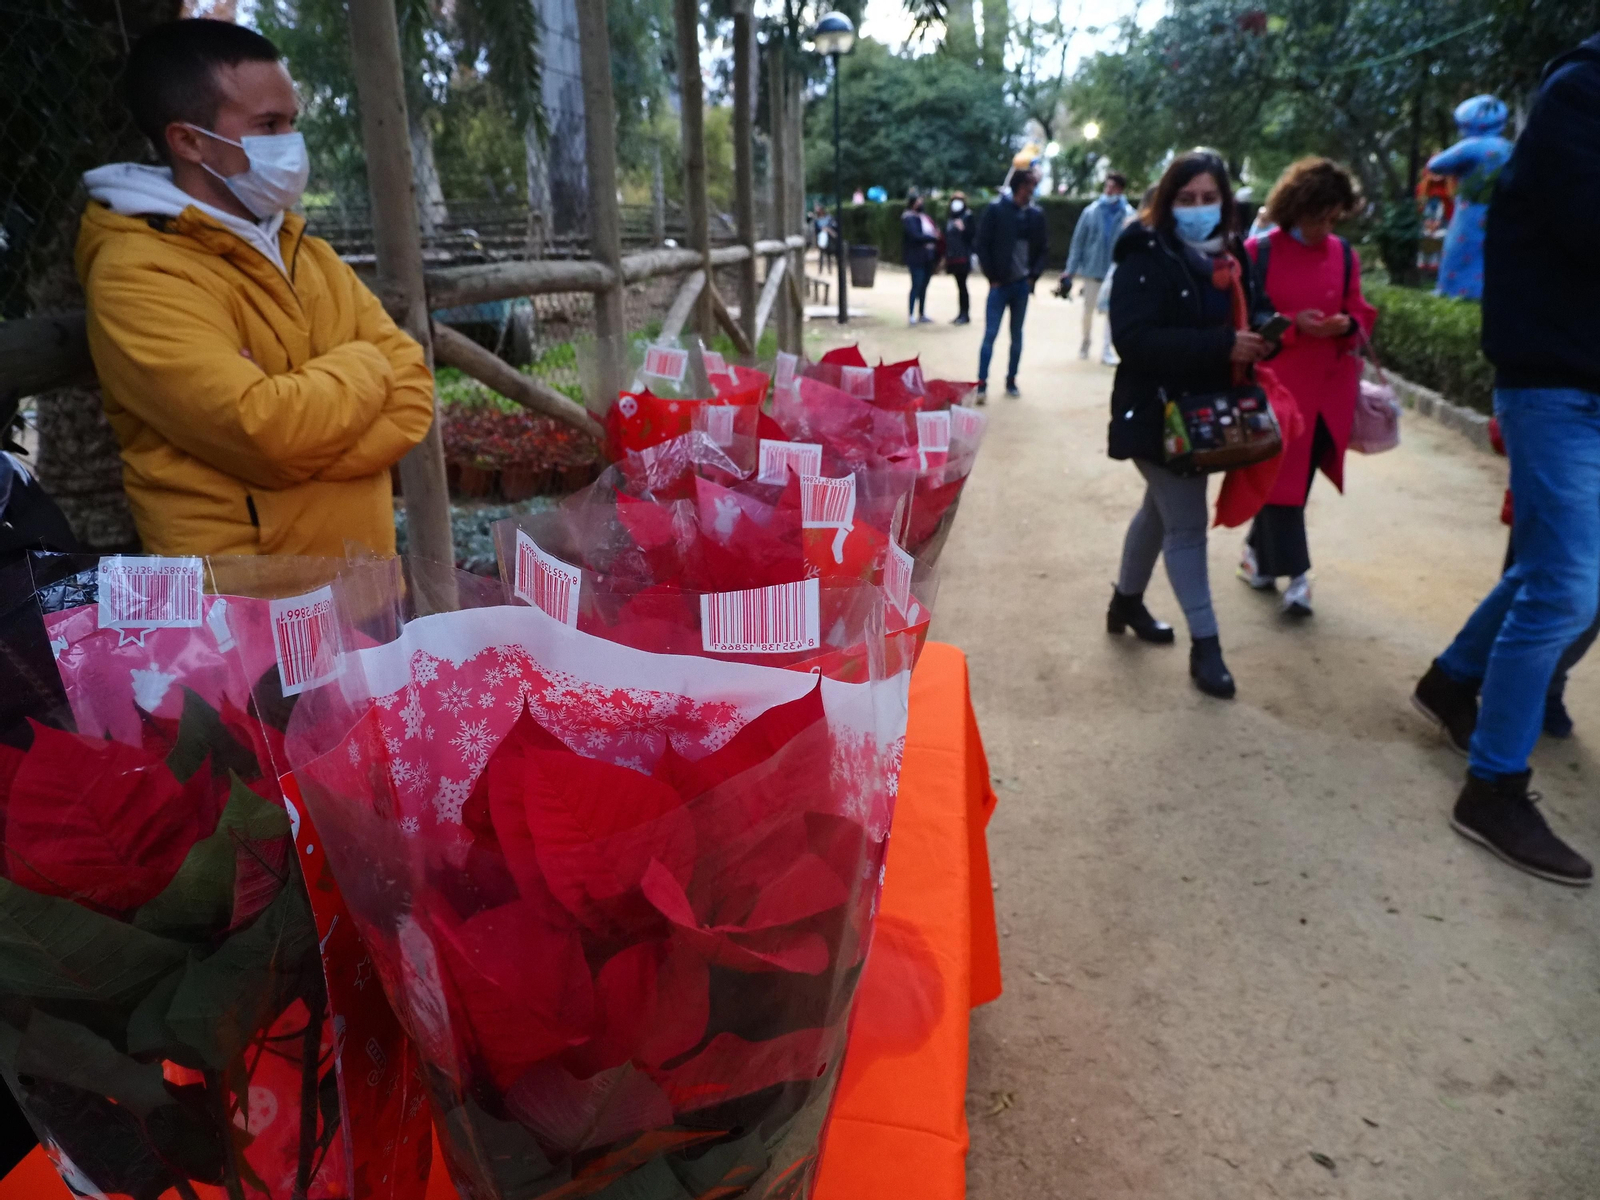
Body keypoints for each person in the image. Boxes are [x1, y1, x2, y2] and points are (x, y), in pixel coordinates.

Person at [77, 19, 433, 558]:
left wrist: (304, 444)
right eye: (268, 124)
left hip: (361, 576)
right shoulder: (137, 274)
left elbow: (414, 390)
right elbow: (266, 432)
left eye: (292, 122)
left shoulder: (304, 249)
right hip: (245, 591)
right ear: (189, 141)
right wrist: (368, 362)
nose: (290, 142)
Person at [1410, 31, 1600, 886]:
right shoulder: (1579, 95)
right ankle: (1491, 787)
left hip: (1581, 381)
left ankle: (1453, 680)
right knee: (1566, 587)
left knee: (1544, 571)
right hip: (1558, 384)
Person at [1104, 151, 1273, 699]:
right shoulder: (1144, 252)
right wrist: (1223, 344)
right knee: (1186, 525)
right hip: (1157, 414)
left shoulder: (1233, 254)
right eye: (1186, 198)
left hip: (1208, 415)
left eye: (1209, 198)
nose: (1199, 208)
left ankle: (1125, 603)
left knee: (1158, 513)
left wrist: (1267, 332)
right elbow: (1132, 339)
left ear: (1225, 201)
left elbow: (1254, 309)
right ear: (1167, 201)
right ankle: (1208, 646)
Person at [1237, 158, 1377, 617]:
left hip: (1329, 392)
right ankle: (1298, 577)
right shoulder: (1258, 252)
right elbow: (1245, 319)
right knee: (1281, 480)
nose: (1325, 228)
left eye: (1334, 219)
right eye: (1319, 218)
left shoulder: (1344, 254)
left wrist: (1346, 324)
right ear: (1296, 209)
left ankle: (1257, 557)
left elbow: (1359, 309)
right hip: (1276, 387)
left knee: (1293, 482)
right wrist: (1294, 325)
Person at [973, 167, 1048, 400]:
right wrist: (992, 277)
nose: (1032, 190)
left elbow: (1042, 249)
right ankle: (982, 383)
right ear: (1020, 187)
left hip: (1020, 285)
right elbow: (982, 244)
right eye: (1030, 185)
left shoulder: (1035, 215)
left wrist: (1033, 276)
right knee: (991, 334)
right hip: (1001, 284)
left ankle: (1011, 379)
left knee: (1016, 335)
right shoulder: (997, 210)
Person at [1063, 172, 1133, 359]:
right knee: (1088, 310)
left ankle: (1106, 349)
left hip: (1115, 272)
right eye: (1107, 186)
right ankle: (1086, 341)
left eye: (1113, 187)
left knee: (1112, 313)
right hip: (1092, 270)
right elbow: (1078, 242)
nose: (1108, 191)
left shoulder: (1129, 215)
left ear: (1120, 190)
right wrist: (1070, 270)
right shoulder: (1090, 212)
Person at [901, 190, 939, 326]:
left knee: (924, 285)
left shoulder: (924, 217)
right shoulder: (908, 218)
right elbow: (915, 236)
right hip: (916, 256)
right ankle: (911, 314)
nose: (921, 203)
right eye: (918, 201)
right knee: (916, 284)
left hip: (927, 256)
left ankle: (922, 313)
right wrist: (932, 238)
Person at [944, 192, 975, 325]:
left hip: (963, 256)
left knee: (962, 285)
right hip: (953, 256)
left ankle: (965, 314)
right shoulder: (951, 217)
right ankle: (961, 313)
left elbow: (972, 235)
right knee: (960, 285)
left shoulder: (967, 216)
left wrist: (963, 229)